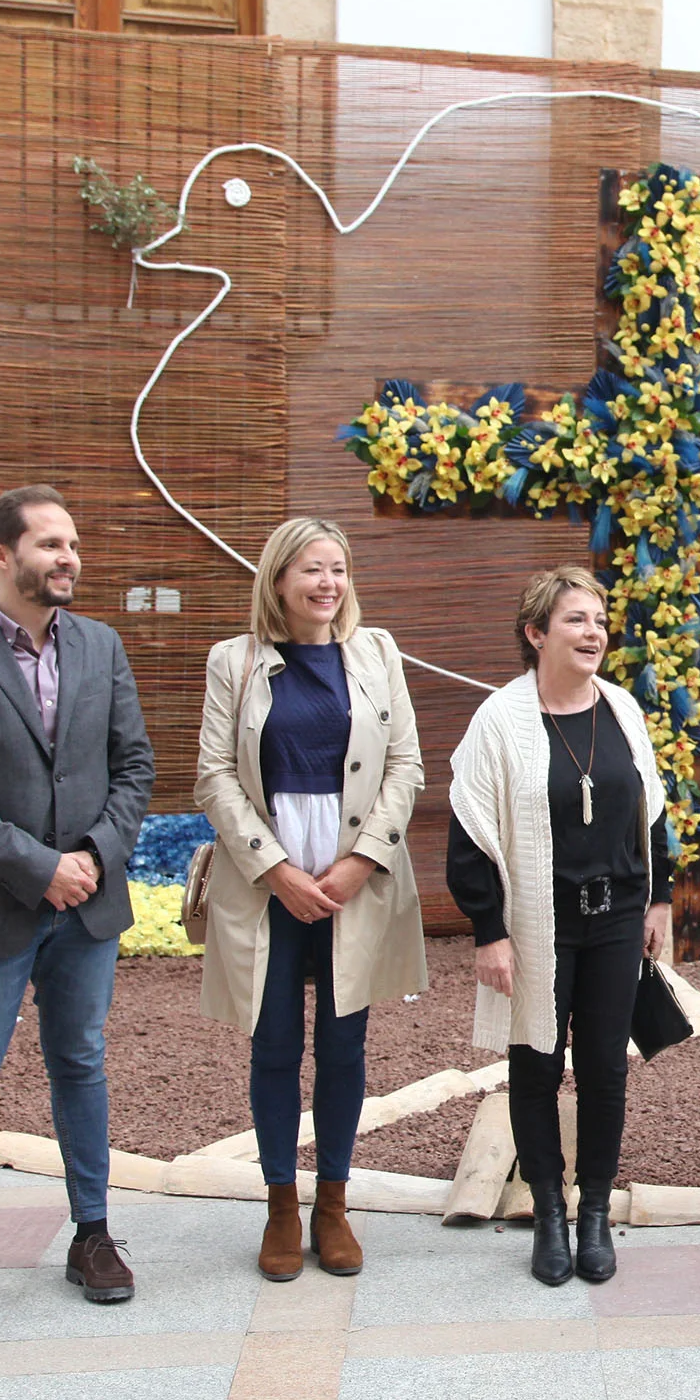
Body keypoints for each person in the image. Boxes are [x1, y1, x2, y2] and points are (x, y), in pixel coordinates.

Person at [0, 485, 155, 1330]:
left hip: (85, 906)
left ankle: (93, 1236)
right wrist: (38, 866)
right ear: (0, 556)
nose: (68, 556)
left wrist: (90, 858)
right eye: (49, 543)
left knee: (79, 1062)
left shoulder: (102, 647)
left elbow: (134, 768)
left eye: (72, 542)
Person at [195, 518, 427, 1281]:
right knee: (272, 1046)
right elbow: (215, 776)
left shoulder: (377, 651)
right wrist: (275, 870)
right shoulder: (235, 660)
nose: (328, 583)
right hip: (269, 880)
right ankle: (280, 1204)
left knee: (343, 1043)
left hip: (352, 880)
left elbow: (407, 765)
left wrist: (361, 860)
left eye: (337, 568)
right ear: (278, 579)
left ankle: (333, 1203)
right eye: (311, 570)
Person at [448, 566, 675, 1286]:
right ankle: (549, 1212)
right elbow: (470, 835)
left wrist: (660, 897)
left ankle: (595, 1211)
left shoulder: (623, 709)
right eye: (576, 619)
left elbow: (654, 811)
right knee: (537, 1064)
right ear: (536, 632)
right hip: (538, 921)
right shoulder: (500, 720)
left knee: (606, 1067)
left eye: (600, 619)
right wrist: (490, 931)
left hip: (614, 919)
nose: (594, 632)